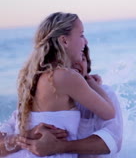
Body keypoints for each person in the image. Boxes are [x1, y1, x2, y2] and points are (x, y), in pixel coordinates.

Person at [0, 12, 115, 158]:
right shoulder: (66, 76)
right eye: (81, 35)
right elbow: (109, 113)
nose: (85, 42)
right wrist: (91, 82)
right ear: (64, 41)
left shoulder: (35, 76)